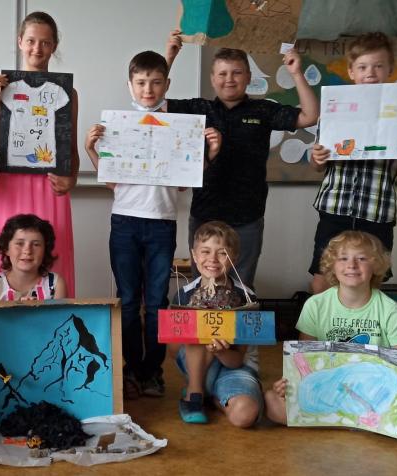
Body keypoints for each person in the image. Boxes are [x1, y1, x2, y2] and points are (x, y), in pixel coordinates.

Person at [84, 46, 221, 400]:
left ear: (167, 85)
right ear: (130, 85)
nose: (148, 89)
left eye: (156, 82)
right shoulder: (117, 127)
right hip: (125, 222)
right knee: (129, 300)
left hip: (161, 223)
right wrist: (91, 150)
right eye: (142, 82)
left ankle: (152, 372)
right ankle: (132, 369)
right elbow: (112, 182)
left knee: (157, 301)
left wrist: (209, 155)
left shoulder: (178, 127)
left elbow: (183, 182)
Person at [265, 231, 397, 444]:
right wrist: (289, 386)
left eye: (361, 258)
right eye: (343, 258)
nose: (351, 265)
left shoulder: (390, 310)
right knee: (272, 404)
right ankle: (368, 425)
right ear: (332, 265)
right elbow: (304, 361)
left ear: (376, 265)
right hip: (332, 393)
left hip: (381, 396)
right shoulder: (315, 305)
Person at [166, 31, 320, 289]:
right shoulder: (199, 109)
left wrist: (296, 73)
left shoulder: (264, 110)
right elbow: (154, 104)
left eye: (237, 73)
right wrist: (170, 57)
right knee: (202, 287)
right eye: (222, 74)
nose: (229, 79)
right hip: (205, 215)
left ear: (248, 77)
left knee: (241, 289)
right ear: (212, 79)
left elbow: (310, 116)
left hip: (247, 216)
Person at [307, 32, 397, 294]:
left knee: (371, 279)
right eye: (363, 67)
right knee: (323, 275)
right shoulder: (335, 111)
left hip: (377, 210)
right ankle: (320, 322)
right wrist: (317, 157)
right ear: (351, 71)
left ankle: (366, 322)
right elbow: (319, 165)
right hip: (335, 208)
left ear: (390, 69)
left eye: (378, 66)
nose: (370, 73)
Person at [0, 11, 79, 296]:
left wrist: (72, 178)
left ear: (54, 46)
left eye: (45, 42)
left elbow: (70, 146)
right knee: (8, 251)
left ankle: (56, 318)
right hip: (11, 185)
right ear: (20, 42)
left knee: (52, 252)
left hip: (52, 184)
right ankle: (0, 318)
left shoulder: (67, 92)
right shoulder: (3, 87)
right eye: (31, 41)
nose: (37, 48)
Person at [172, 221, 261, 427]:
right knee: (199, 321)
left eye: (222, 253)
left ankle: (211, 397)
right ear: (194, 255)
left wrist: (220, 351)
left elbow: (237, 360)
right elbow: (173, 350)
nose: (212, 259)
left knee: (245, 416)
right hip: (197, 368)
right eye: (205, 251)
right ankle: (194, 393)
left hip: (235, 368)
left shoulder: (247, 298)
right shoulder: (183, 296)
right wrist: (199, 333)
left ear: (234, 258)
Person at [0, 213, 66, 301]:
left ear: (45, 250)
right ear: (6, 249)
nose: (27, 251)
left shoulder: (56, 284)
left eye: (36, 244)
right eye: (20, 244)